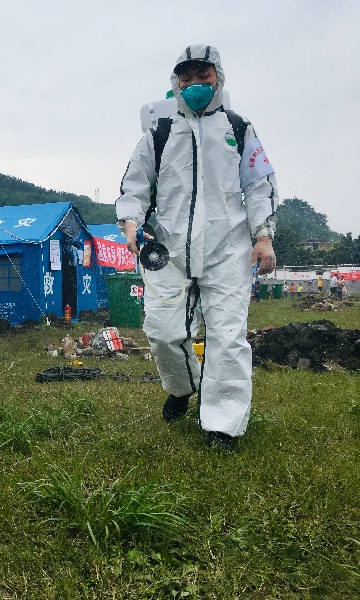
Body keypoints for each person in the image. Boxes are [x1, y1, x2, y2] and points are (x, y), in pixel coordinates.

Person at [116, 45, 278, 450]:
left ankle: (223, 425)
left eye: (202, 76)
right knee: (162, 332)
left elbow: (259, 185)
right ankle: (183, 385)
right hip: (169, 252)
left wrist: (263, 236)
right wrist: (131, 222)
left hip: (228, 250)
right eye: (186, 78)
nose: (195, 84)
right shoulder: (160, 133)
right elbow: (135, 185)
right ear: (176, 83)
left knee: (227, 337)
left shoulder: (239, 128)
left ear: (217, 77)